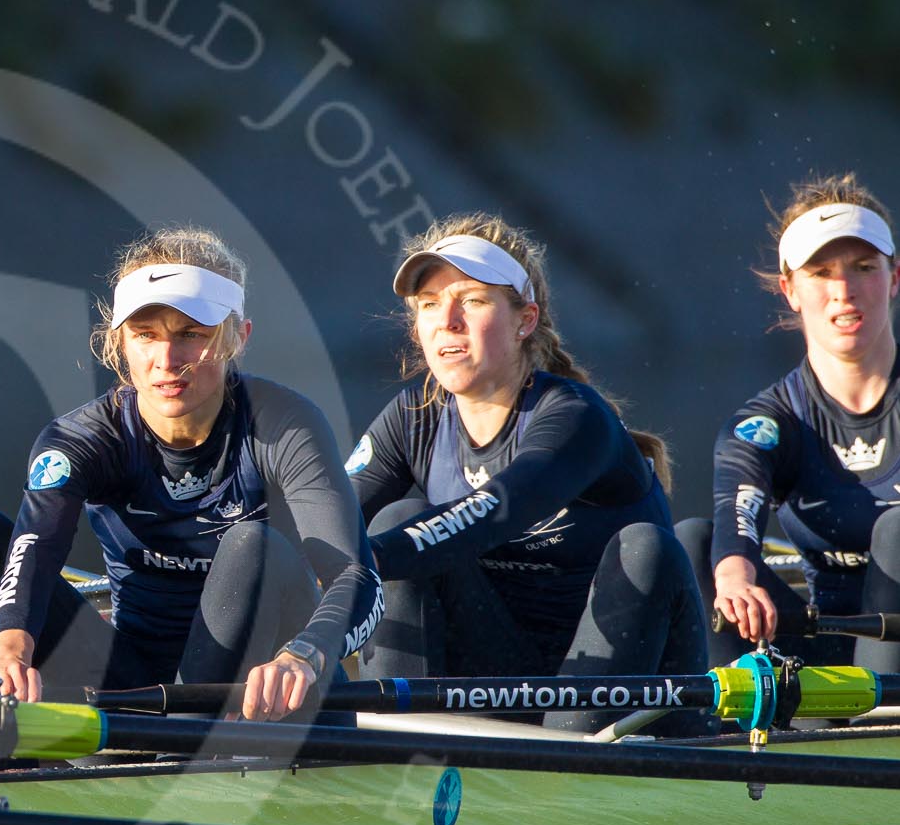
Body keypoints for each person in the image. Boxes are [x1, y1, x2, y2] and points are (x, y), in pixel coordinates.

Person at [0, 226, 382, 721]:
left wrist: (304, 654)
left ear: (237, 337)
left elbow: (357, 577)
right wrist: (10, 648)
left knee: (250, 545)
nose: (165, 361)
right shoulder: (83, 440)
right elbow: (37, 550)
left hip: (263, 696)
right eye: (145, 335)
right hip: (138, 690)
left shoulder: (284, 425)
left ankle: (197, 753)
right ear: (119, 343)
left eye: (190, 335)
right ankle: (1, 738)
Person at [347, 214, 705, 728]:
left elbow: (501, 507)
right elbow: (324, 520)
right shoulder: (412, 420)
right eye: (429, 305)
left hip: (613, 691)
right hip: (495, 679)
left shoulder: (574, 416)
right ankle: (404, 765)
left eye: (471, 300)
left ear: (525, 320)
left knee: (646, 548)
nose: (448, 320)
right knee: (392, 520)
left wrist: (367, 559)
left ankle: (564, 772)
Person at [678, 174, 900, 671]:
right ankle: (730, 720)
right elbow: (737, 523)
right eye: (821, 273)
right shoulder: (766, 423)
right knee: (693, 541)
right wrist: (734, 578)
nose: (843, 291)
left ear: (895, 278)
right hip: (819, 652)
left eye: (864, 267)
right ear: (790, 290)